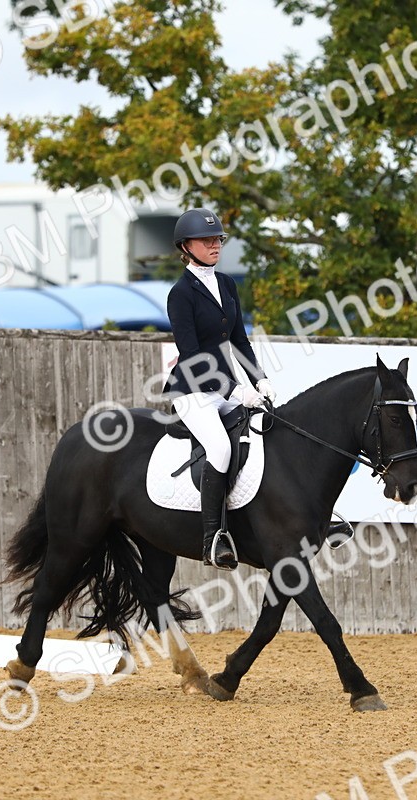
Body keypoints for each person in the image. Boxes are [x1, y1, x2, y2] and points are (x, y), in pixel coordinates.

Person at [162, 208, 275, 570]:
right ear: (186, 246)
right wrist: (232, 391)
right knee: (221, 448)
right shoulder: (181, 294)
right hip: (193, 391)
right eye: (207, 240)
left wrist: (259, 379)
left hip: (226, 385)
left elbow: (239, 340)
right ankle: (213, 538)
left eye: (218, 240)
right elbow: (192, 356)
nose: (215, 245)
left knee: (266, 430)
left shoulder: (226, 284)